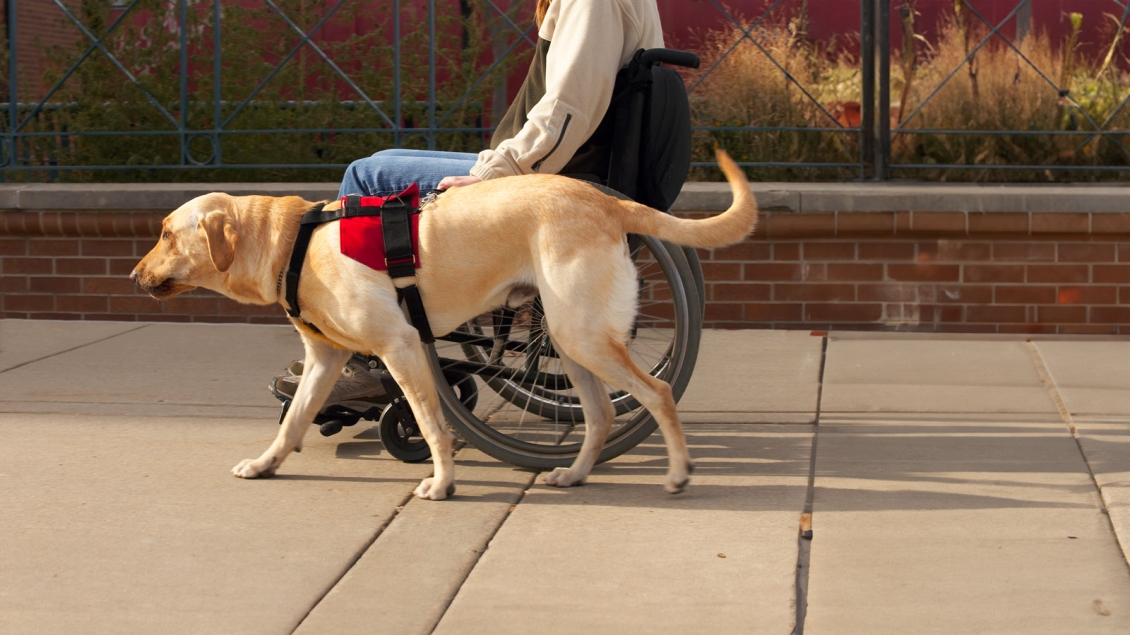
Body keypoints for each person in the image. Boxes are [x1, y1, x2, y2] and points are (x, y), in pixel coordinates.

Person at [271, 0, 666, 406]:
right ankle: (377, 331)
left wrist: (497, 171)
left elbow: (569, 107)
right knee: (375, 165)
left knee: (367, 178)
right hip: (562, 167)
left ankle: (364, 355)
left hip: (551, 180)